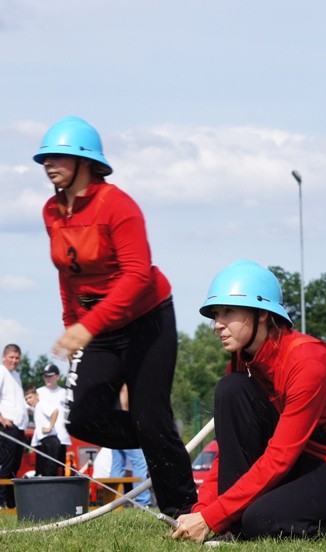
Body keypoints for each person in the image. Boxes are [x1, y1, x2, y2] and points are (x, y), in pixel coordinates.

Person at [35, 116, 197, 517]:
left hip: (148, 319)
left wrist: (87, 325)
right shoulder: (51, 211)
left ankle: (184, 511)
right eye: (45, 158)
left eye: (59, 157)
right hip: (99, 326)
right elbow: (67, 275)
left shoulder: (118, 206)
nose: (48, 164)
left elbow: (139, 275)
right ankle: (160, 438)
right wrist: (72, 323)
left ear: (86, 162)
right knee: (83, 420)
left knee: (151, 416)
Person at [171, 260, 326, 544]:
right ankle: (232, 528)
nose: (217, 325)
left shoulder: (307, 362)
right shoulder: (241, 362)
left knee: (260, 521)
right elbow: (230, 451)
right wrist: (203, 511)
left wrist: (211, 518)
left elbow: (280, 458)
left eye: (228, 312)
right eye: (215, 314)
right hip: (303, 458)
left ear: (262, 314)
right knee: (230, 389)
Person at [0, 344, 29, 506]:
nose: (14, 360)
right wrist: (1, 419)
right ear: (4, 357)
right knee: (6, 464)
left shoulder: (16, 375)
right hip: (7, 426)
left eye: (17, 358)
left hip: (19, 426)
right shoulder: (1, 372)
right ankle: (1, 500)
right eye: (11, 357)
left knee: (15, 465)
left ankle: (11, 502)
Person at [25, 386, 71, 477]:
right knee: (44, 469)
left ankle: (51, 488)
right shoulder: (37, 408)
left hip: (50, 440)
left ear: (37, 395)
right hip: (44, 441)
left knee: (50, 469)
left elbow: (55, 411)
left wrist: (50, 427)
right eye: (26, 399)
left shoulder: (41, 405)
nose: (28, 401)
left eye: (30, 397)